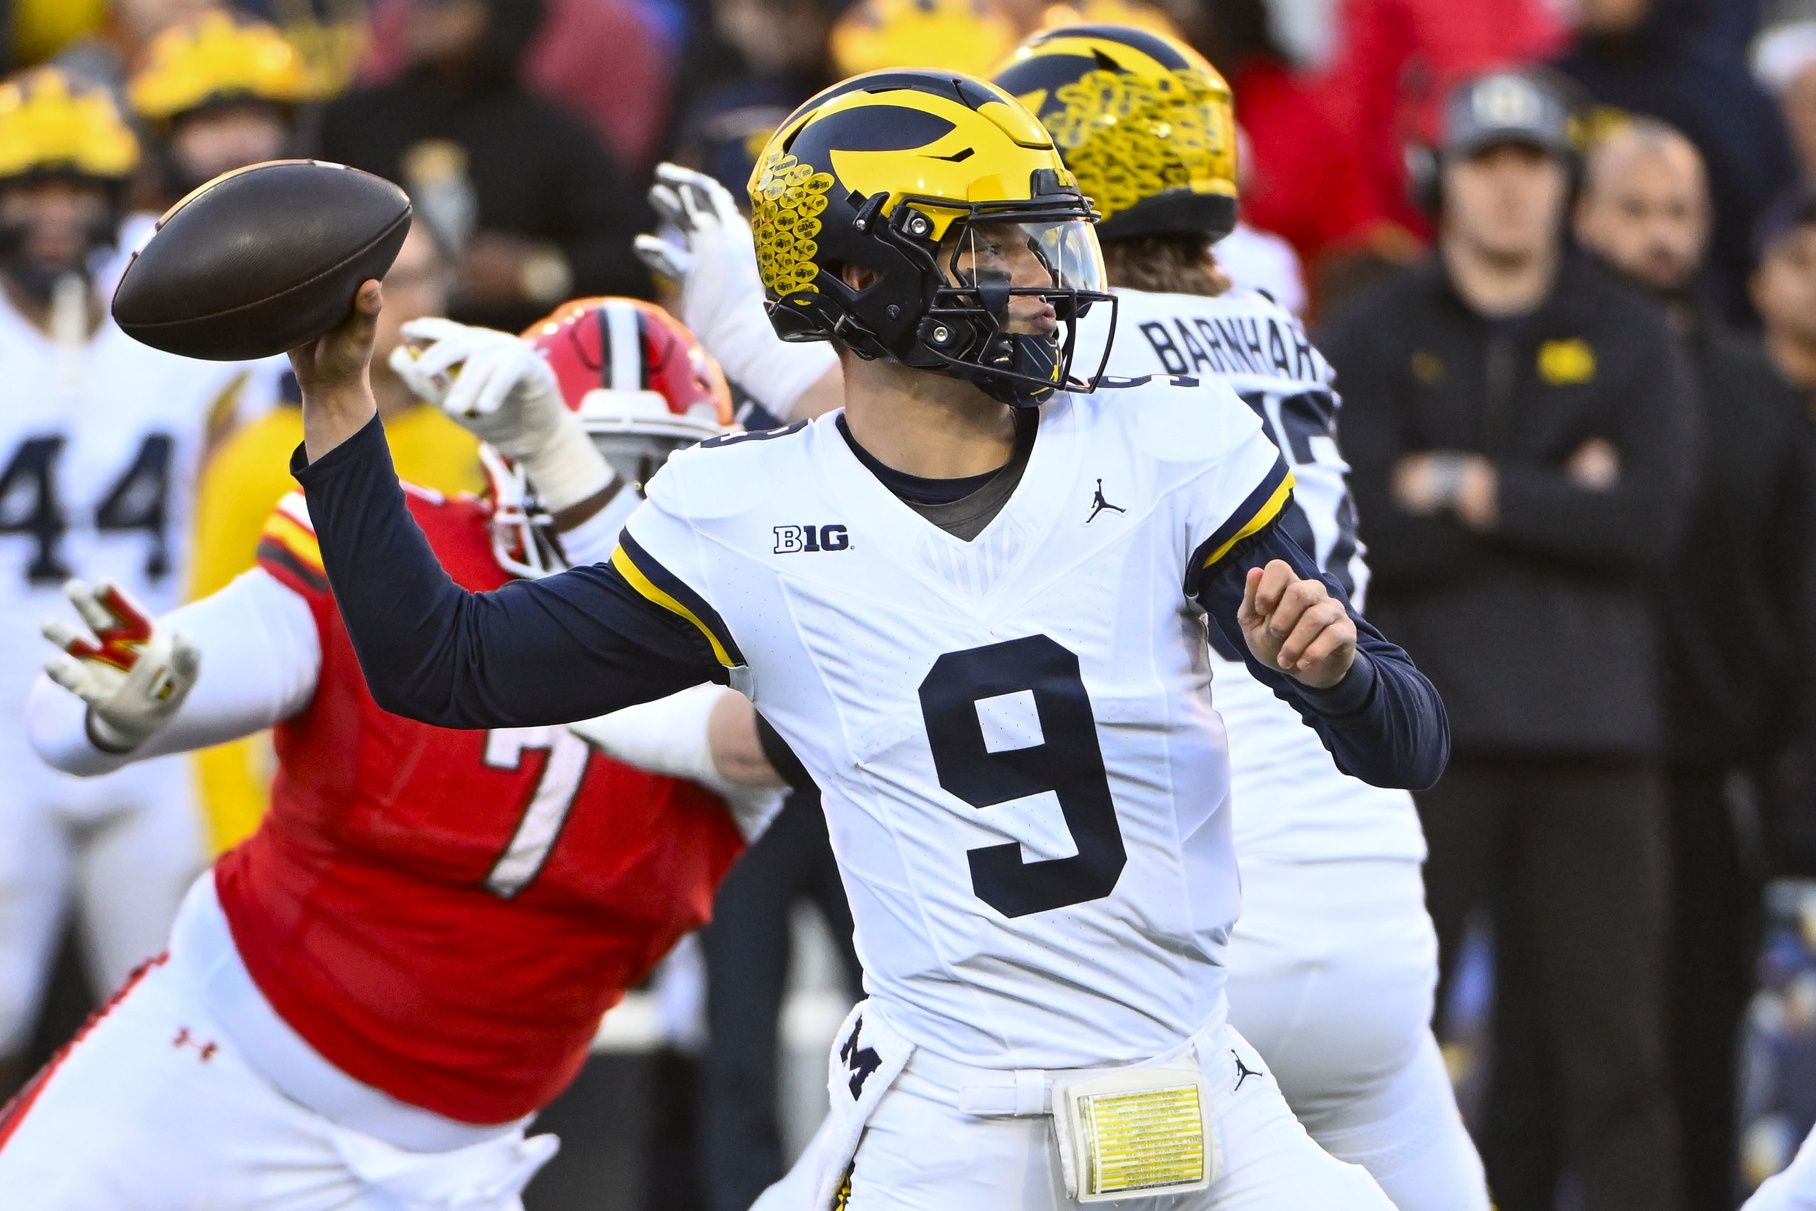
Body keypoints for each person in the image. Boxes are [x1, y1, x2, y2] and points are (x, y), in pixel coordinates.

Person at [286, 68, 1448, 1208]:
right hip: (958, 1121)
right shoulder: (742, 520)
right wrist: (340, 409)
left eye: (1044, 242)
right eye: (997, 248)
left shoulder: (1170, 445)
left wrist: (1339, 677)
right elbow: (439, 662)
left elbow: (1408, 746)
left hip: (1198, 1080)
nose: (1046, 283)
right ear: (863, 275)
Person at [0, 298, 786, 1208]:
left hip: (456, 1163)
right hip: (212, 1076)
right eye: (597, 456)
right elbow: (70, 722)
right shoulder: (410, 556)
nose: (628, 489)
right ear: (506, 449)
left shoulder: (752, 656)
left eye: (653, 468)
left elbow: (721, 724)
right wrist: (132, 709)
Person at [989, 24, 1488, 1210]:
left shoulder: (1070, 347)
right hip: (1374, 919)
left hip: (1198, 936)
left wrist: (731, 313)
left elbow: (855, 429)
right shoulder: (1278, 321)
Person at [1321, 69, 1696, 1211]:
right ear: (1446, 182)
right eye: (1485, 165)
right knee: (1390, 1043)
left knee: (1616, 1056)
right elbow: (1364, 522)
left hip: (1595, 742)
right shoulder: (1375, 328)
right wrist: (1552, 492)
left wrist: (1464, 483)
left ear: (1563, 184)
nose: (1508, 191)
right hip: (1428, 742)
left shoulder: (1627, 332)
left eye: (1531, 165)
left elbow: (1645, 522)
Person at [0, 66, 265, 1097]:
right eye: (31, 187)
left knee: (174, 1030)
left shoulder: (176, 299)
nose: (58, 215)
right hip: (2, 726)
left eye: (81, 188)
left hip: (162, 716)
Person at [1575, 116, 1810, 1211]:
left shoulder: (1760, 397)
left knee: (1702, 1054)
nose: (1659, 235)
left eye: (1678, 212)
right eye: (1635, 209)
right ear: (1586, 218)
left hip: (1710, 774)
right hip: (1558, 768)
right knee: (1558, 1050)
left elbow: (1799, 604)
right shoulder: (1528, 369)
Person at [185, 224, 484, 854]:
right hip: (305, 803)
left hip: (457, 797)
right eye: (394, 285)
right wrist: (236, 837)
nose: (420, 304)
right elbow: (209, 656)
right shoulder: (255, 458)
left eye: (431, 278)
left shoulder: (484, 445)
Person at [315, 0, 651, 332]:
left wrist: (535, 272)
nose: (422, 11)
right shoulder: (353, 122)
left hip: (509, 351)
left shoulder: (555, 136)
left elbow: (630, 260)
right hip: (372, 349)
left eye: (446, 5)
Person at [1552, 0, 1800, 317]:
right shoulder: (1551, 88)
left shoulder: (1726, 95)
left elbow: (1772, 228)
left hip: (1711, 325)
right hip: (1566, 328)